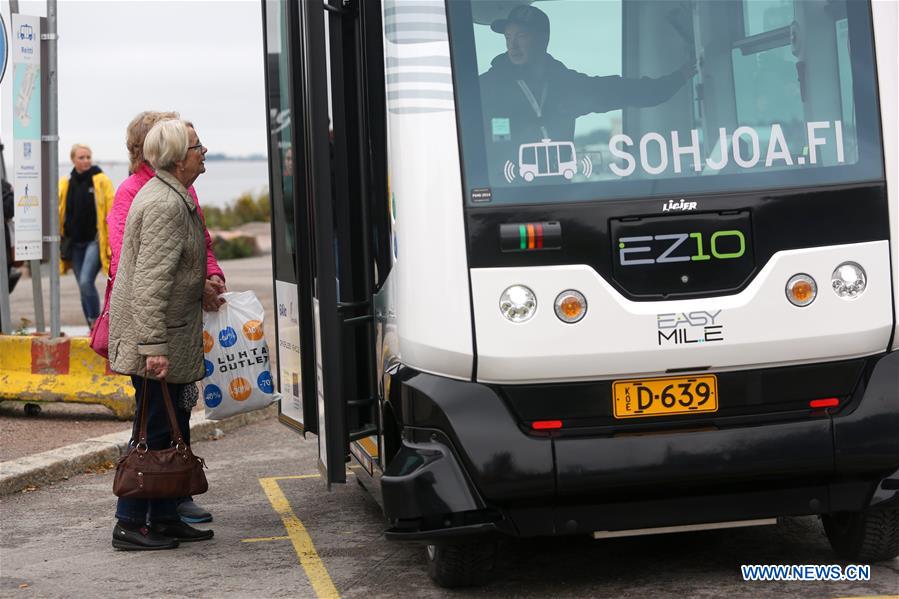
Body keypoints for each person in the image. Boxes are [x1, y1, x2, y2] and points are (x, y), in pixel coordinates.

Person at [108, 111, 225, 525]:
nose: (203, 151)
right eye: (197, 146)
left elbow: (178, 267)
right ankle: (131, 522)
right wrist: (154, 348)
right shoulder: (164, 204)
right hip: (157, 338)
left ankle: (164, 517)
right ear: (178, 158)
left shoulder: (173, 195)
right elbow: (150, 283)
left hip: (167, 333)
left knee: (164, 427)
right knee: (154, 432)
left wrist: (204, 282)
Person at [479, 4, 696, 151]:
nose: (512, 45)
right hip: (507, 195)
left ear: (543, 40)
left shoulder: (567, 85)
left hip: (556, 193)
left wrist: (682, 75)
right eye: (508, 37)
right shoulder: (485, 87)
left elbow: (630, 92)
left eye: (521, 36)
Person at [58, 144, 115, 327]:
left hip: (94, 241)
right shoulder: (66, 184)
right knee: (82, 287)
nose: (86, 161)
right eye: (81, 157)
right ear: (73, 160)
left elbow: (111, 209)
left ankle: (96, 323)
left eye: (88, 157)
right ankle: (91, 326)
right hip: (74, 243)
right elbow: (60, 212)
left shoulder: (100, 180)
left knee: (85, 282)